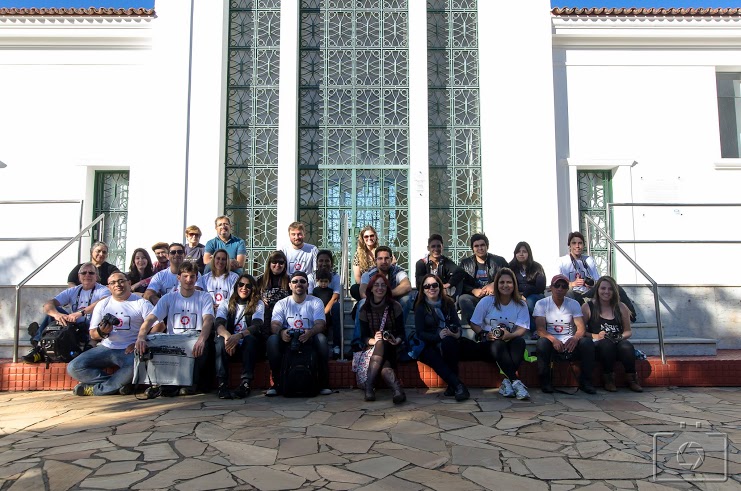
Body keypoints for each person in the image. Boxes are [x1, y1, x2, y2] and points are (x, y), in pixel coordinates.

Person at [67, 272, 153, 396]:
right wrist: (102, 332)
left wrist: (140, 341)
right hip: (106, 347)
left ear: (129, 283)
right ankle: (118, 385)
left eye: (121, 281)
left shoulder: (141, 303)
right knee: (74, 367)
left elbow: (159, 325)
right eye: (113, 283)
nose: (117, 285)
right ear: (108, 287)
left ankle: (96, 389)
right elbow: (93, 334)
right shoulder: (102, 304)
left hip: (130, 350)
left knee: (134, 368)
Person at [136, 262, 215, 395]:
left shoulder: (204, 297)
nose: (189, 280)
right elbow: (150, 319)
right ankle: (159, 383)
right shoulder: (168, 298)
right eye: (185, 276)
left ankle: (191, 384)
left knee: (203, 345)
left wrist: (202, 339)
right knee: (150, 341)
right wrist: (141, 337)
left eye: (192, 277)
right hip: (174, 339)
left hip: (194, 337)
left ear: (196, 279)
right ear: (179, 278)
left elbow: (208, 320)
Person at [23, 263, 111, 363]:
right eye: (84, 273)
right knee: (54, 312)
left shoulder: (103, 290)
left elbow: (104, 302)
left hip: (92, 327)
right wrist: (57, 315)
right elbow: (48, 305)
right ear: (79, 276)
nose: (87, 275)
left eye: (91, 273)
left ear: (97, 276)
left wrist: (80, 313)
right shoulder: (73, 290)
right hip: (74, 326)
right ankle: (38, 346)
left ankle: (37, 336)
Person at [469, 268, 531, 400]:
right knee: (498, 344)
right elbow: (474, 323)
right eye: (501, 282)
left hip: (509, 342)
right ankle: (515, 381)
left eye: (509, 282)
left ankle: (507, 383)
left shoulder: (520, 304)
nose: (505, 285)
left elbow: (522, 329)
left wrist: (510, 335)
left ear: (514, 284)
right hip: (490, 345)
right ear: (496, 284)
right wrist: (485, 334)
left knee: (520, 341)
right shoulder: (486, 301)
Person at [266, 271, 332, 396]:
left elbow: (320, 324)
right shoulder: (282, 303)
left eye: (302, 281)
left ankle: (323, 383)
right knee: (272, 340)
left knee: (322, 339)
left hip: (309, 338)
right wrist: (281, 333)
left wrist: (310, 332)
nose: (299, 284)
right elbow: (274, 325)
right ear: (290, 285)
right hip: (288, 339)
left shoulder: (316, 302)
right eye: (295, 281)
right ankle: (276, 383)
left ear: (307, 285)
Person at [534, 274, 596, 394]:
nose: (560, 289)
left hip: (569, 341)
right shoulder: (541, 303)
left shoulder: (573, 304)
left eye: (563, 286)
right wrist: (554, 340)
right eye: (557, 285)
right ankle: (545, 382)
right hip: (551, 341)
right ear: (551, 287)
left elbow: (581, 328)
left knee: (587, 343)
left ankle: (586, 382)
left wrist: (575, 338)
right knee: (542, 343)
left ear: (567, 289)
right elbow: (540, 329)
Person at [413, 274, 470, 402]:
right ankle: (459, 386)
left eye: (434, 285)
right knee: (432, 355)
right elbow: (420, 333)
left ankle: (452, 386)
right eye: (427, 286)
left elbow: (457, 324)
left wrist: (455, 333)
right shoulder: (420, 307)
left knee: (449, 343)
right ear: (423, 289)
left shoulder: (448, 303)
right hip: (427, 343)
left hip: (448, 340)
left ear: (439, 286)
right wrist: (437, 336)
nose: (431, 288)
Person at [582, 276, 642, 392]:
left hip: (617, 342)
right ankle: (608, 378)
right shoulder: (588, 307)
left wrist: (619, 337)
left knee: (627, 346)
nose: (606, 292)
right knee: (606, 345)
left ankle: (632, 379)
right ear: (597, 290)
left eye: (610, 289)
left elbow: (628, 331)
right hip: (599, 344)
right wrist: (596, 336)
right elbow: (581, 331)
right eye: (603, 288)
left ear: (615, 291)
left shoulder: (621, 307)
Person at [214, 273, 265, 399]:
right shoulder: (226, 303)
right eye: (241, 284)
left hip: (247, 345)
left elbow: (257, 325)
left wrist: (239, 336)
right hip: (230, 343)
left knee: (250, 339)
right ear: (236, 286)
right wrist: (228, 337)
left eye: (248, 286)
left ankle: (245, 383)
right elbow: (219, 324)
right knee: (219, 341)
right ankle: (222, 383)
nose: (244, 288)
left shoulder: (258, 304)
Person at [359, 274, 406, 403]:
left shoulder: (395, 306)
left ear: (387, 288)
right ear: (371, 288)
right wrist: (373, 340)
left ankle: (369, 387)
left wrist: (397, 340)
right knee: (382, 352)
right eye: (376, 285)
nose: (380, 288)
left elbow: (402, 333)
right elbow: (363, 336)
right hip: (373, 347)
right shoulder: (365, 309)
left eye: (383, 285)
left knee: (384, 344)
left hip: (393, 345)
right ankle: (397, 390)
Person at [458, 233, 508, 325]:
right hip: (475, 297)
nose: (480, 248)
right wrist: (473, 290)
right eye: (476, 246)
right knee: (463, 299)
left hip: (495, 296)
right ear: (472, 248)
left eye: (482, 245)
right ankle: (477, 326)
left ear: (487, 246)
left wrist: (495, 284)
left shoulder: (499, 261)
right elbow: (460, 283)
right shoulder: (465, 263)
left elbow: (509, 277)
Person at [308, 249, 342, 358]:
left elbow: (335, 296)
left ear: (331, 263)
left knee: (337, 307)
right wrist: (319, 314)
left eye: (327, 261)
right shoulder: (311, 277)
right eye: (321, 261)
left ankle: (337, 346)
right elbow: (310, 296)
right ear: (316, 262)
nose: (324, 263)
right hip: (315, 309)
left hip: (329, 310)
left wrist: (323, 313)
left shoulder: (336, 276)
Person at [508, 241, 546, 336]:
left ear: (529, 253)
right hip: (515, 295)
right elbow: (507, 284)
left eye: (524, 251)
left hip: (534, 295)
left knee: (529, 301)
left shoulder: (537, 267)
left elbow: (540, 287)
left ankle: (536, 330)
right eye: (518, 251)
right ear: (515, 253)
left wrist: (525, 294)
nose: (521, 254)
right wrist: (518, 295)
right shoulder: (510, 267)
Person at [414, 234, 466, 299]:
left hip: (443, 294)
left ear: (442, 247)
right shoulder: (421, 263)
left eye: (438, 246)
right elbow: (419, 283)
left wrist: (449, 284)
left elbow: (460, 272)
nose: (436, 249)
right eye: (433, 246)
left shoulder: (446, 261)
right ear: (428, 248)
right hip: (426, 294)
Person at [556, 231, 599, 305]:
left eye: (580, 243)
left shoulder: (589, 260)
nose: (577, 246)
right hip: (571, 293)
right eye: (574, 243)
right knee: (567, 291)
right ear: (569, 245)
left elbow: (597, 281)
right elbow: (556, 283)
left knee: (614, 287)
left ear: (583, 245)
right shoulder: (562, 261)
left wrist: (592, 284)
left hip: (587, 292)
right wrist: (573, 284)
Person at [256, 250, 292, 323]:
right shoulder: (260, 280)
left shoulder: (290, 280)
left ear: (285, 264)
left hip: (284, 317)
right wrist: (261, 300)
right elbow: (254, 296)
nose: (278, 265)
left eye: (281, 263)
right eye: (274, 262)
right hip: (264, 316)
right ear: (269, 263)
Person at [351, 225, 380, 301]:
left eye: (371, 236)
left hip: (380, 283)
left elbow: (393, 260)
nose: (369, 238)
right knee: (354, 289)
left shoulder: (380, 251)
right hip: (364, 285)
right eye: (366, 237)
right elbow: (357, 277)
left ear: (375, 237)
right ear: (363, 239)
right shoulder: (358, 254)